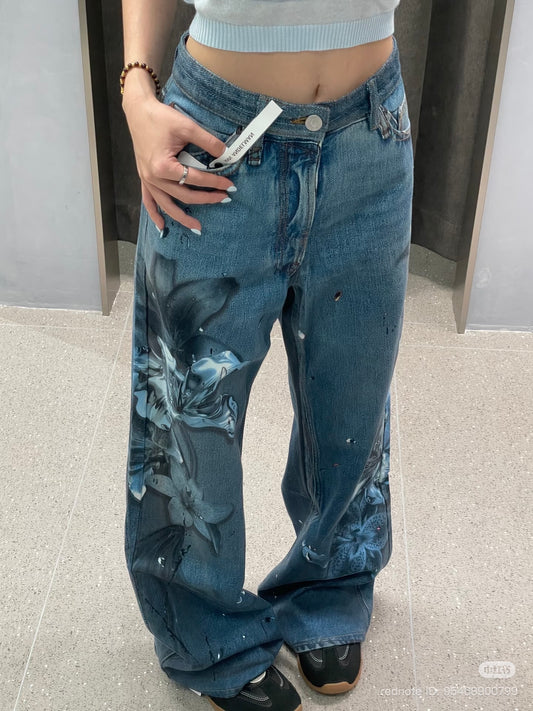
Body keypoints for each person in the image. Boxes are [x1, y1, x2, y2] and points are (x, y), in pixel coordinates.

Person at [121, 1, 412, 709]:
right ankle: (203, 632)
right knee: (189, 414)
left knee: (350, 397)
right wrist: (136, 90)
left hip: (369, 135)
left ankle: (330, 584)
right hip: (213, 138)